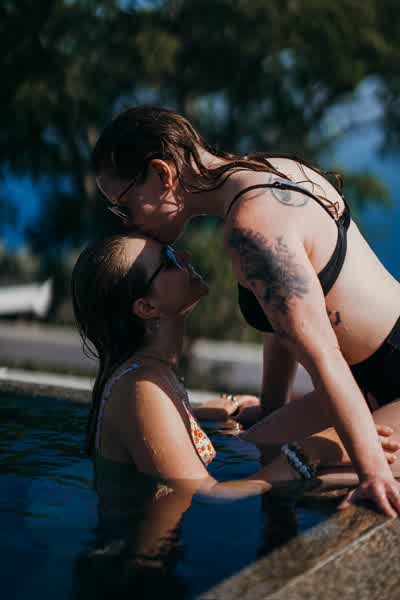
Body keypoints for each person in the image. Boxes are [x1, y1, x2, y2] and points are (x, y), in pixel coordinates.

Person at [91, 106, 400, 517]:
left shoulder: (252, 225)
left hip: (379, 376)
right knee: (254, 444)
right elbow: (284, 325)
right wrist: (272, 408)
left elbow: (322, 352)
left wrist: (373, 473)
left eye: (124, 206)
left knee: (297, 475)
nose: (128, 224)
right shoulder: (268, 172)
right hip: (370, 377)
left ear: (162, 174)